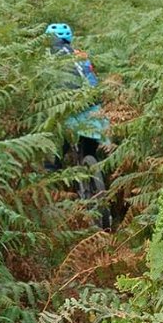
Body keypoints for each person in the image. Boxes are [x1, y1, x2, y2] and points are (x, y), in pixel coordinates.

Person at [45, 22, 110, 223]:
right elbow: (94, 82)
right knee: (91, 151)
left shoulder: (47, 59)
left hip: (65, 111)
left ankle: (52, 190)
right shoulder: (82, 55)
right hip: (92, 111)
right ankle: (97, 176)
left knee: (53, 152)